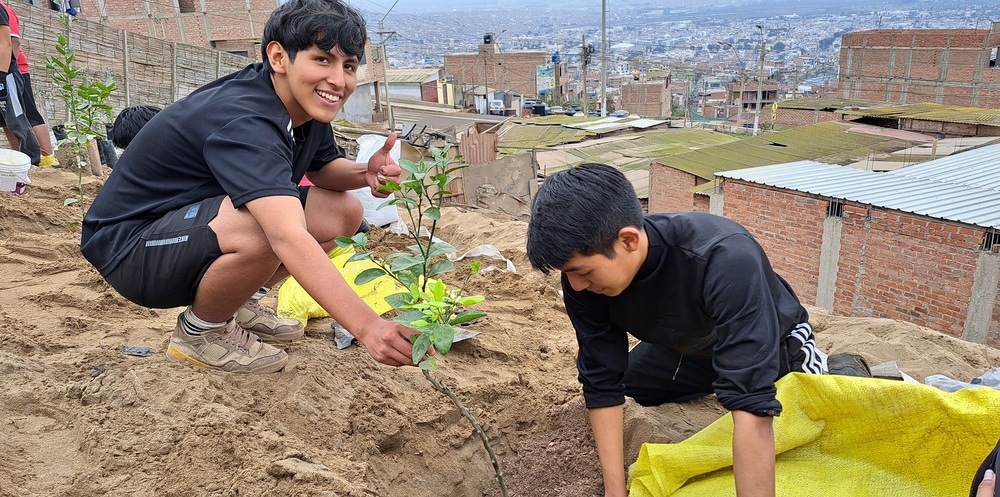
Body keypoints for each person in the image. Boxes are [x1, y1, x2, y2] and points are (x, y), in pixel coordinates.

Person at [80, 0, 416, 373]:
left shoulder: (301, 102)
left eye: (348, 65)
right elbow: (287, 235)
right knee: (266, 226)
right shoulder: (246, 119)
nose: (339, 80)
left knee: (343, 211)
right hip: (130, 250)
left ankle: (237, 302)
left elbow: (322, 169)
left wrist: (365, 174)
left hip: (187, 229)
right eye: (322, 59)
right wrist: (369, 326)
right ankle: (201, 332)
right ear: (278, 57)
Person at [525, 163, 827, 497]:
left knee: (801, 416)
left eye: (583, 272)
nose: (576, 285)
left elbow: (751, 403)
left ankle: (845, 367)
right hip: (686, 346)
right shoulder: (584, 279)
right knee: (629, 384)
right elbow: (601, 377)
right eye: (568, 273)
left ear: (628, 240)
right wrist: (615, 491)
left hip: (770, 342)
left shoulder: (725, 258)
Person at [1, 0, 57, 167]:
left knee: (26, 116)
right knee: (6, 119)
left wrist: (7, 72)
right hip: (7, 71)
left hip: (13, 70)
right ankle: (20, 157)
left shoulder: (4, 10)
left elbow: (12, 42)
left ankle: (42, 158)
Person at [0, 1, 38, 164]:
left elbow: (6, 42)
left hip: (5, 73)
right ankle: (17, 158)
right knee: (5, 121)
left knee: (17, 119)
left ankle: (31, 160)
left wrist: (2, 75)